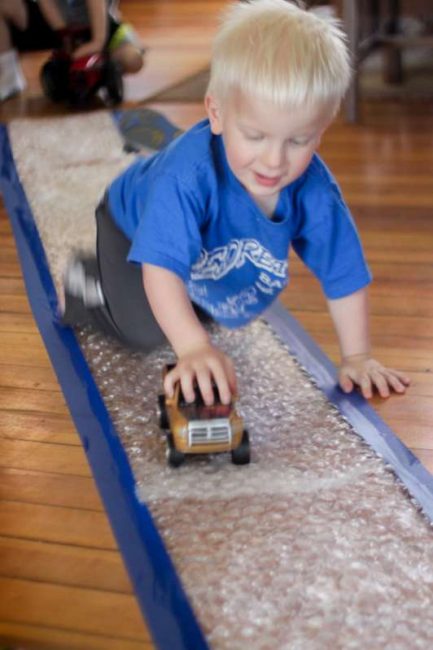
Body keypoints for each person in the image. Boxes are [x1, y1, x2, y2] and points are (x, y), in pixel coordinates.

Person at [62, 0, 410, 406]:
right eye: (256, 136)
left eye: (298, 140)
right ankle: (87, 282)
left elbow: (343, 270)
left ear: (320, 131)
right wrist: (192, 347)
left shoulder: (315, 188)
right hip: (129, 225)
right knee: (148, 330)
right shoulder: (185, 179)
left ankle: (188, 278)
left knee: (221, 297)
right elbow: (160, 271)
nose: (275, 161)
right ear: (217, 112)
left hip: (197, 243)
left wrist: (358, 356)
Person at [0, 0, 144, 102]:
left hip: (103, 27)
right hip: (68, 28)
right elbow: (47, 3)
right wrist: (65, 36)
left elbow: (98, 17)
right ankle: (9, 80)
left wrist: (97, 42)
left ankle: (107, 70)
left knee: (133, 60)